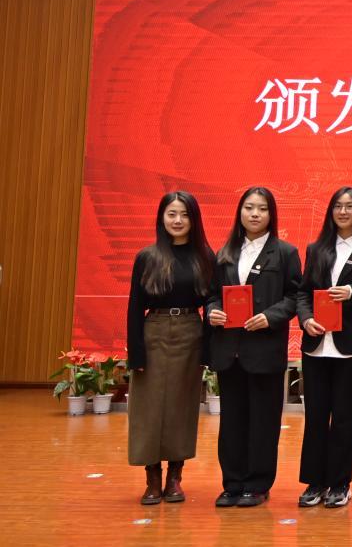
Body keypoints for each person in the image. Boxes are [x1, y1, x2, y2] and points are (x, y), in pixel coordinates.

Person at [206, 186, 302, 507]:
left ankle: (258, 484)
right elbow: (211, 295)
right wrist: (212, 311)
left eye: (262, 208)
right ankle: (232, 483)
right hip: (229, 351)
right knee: (232, 420)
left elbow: (295, 297)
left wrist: (270, 317)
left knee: (263, 420)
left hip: (264, 349)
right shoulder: (224, 252)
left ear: (271, 214)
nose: (255, 214)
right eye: (249, 207)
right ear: (240, 212)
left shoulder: (285, 253)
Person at [295, 187, 352, 509]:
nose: (343, 212)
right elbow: (303, 292)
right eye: (337, 206)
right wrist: (305, 319)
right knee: (315, 415)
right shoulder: (317, 248)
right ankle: (314, 482)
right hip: (316, 344)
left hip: (348, 345)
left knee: (344, 417)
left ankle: (340, 483)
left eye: (349, 206)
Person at [126, 191, 215, 505]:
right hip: (154, 331)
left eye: (184, 214)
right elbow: (135, 307)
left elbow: (212, 304)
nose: (178, 220)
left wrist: (208, 351)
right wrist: (135, 352)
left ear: (194, 219)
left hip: (191, 332)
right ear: (161, 217)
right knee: (148, 409)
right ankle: (152, 478)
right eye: (171, 214)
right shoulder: (147, 257)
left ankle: (175, 477)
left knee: (181, 406)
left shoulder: (205, 256)